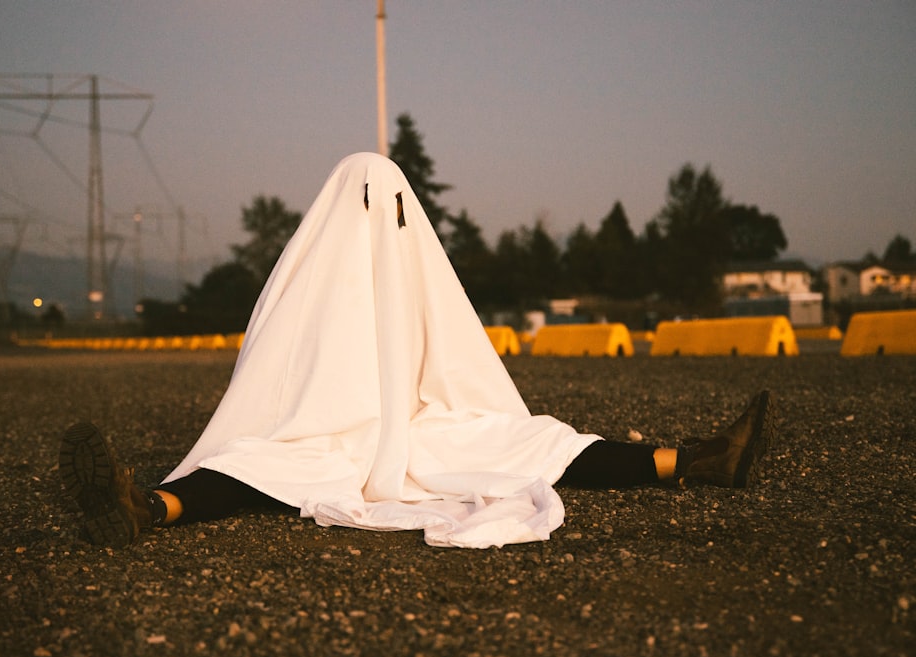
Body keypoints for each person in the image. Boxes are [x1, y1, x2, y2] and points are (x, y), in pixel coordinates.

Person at [59, 152, 773, 549]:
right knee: (528, 441)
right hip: (368, 436)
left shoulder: (337, 270)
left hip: (368, 438)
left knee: (261, 463)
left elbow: (288, 379)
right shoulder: (364, 264)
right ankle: (146, 508)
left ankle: (698, 460)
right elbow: (451, 366)